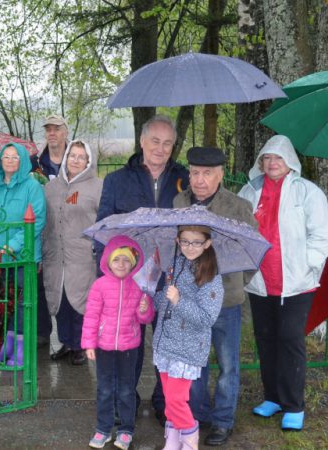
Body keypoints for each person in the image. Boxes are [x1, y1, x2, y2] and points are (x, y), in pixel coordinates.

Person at [237, 135, 328, 431]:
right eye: (266, 158)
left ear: (290, 161)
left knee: (290, 339)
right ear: (260, 162)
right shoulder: (249, 191)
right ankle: (273, 397)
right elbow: (239, 229)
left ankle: (294, 404)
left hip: (296, 283)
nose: (272, 163)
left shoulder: (308, 192)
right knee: (265, 339)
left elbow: (322, 234)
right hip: (260, 281)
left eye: (278, 158)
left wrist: (307, 265)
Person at [96, 114, 188, 420]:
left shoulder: (184, 179)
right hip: (131, 277)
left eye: (167, 143)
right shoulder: (117, 180)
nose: (160, 149)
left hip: (171, 275)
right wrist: (108, 275)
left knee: (167, 342)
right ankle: (127, 402)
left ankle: (165, 403)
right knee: (128, 345)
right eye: (155, 142)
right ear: (142, 141)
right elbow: (104, 229)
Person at [173, 147, 257, 446]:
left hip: (225, 301)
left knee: (228, 365)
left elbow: (251, 252)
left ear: (220, 175)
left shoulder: (237, 206)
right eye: (195, 172)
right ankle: (197, 416)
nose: (200, 179)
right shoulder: (179, 203)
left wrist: (234, 284)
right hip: (191, 300)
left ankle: (222, 421)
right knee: (194, 363)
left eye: (207, 173)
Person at [152, 226, 224, 450]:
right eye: (184, 242)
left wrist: (178, 300)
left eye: (196, 242)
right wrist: (152, 301)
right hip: (165, 343)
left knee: (176, 399)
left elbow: (206, 318)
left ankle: (191, 439)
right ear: (177, 240)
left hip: (187, 349)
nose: (189, 247)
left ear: (207, 243)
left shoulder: (211, 277)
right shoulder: (176, 265)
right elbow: (165, 299)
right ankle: (173, 441)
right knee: (168, 399)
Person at [82, 236, 155, 450]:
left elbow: (146, 318)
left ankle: (126, 430)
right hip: (104, 347)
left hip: (129, 347)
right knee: (104, 389)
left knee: (126, 390)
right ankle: (103, 429)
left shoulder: (139, 286)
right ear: (108, 262)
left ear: (133, 263)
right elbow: (91, 316)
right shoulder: (100, 285)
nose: (121, 264)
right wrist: (89, 343)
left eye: (126, 260)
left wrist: (144, 308)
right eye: (116, 260)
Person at [42, 140, 102, 366]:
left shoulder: (97, 187)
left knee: (80, 300)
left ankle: (81, 345)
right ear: (65, 157)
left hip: (83, 255)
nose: (75, 160)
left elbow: (103, 220)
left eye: (81, 157)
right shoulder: (51, 188)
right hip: (55, 254)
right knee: (60, 299)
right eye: (72, 156)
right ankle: (66, 342)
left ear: (88, 161)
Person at [0, 142, 46, 366]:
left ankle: (22, 348)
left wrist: (13, 244)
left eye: (15, 157)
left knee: (22, 304)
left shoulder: (32, 187)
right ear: (0, 160)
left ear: (22, 161)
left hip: (22, 256)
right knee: (2, 303)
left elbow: (36, 220)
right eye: (6, 157)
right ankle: (5, 344)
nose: (9, 161)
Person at [31, 114, 71, 347]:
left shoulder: (77, 160)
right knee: (40, 282)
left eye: (56, 129)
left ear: (65, 131)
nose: (52, 133)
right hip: (43, 231)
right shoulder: (36, 164)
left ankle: (70, 340)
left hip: (70, 231)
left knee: (69, 285)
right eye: (48, 129)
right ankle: (41, 333)